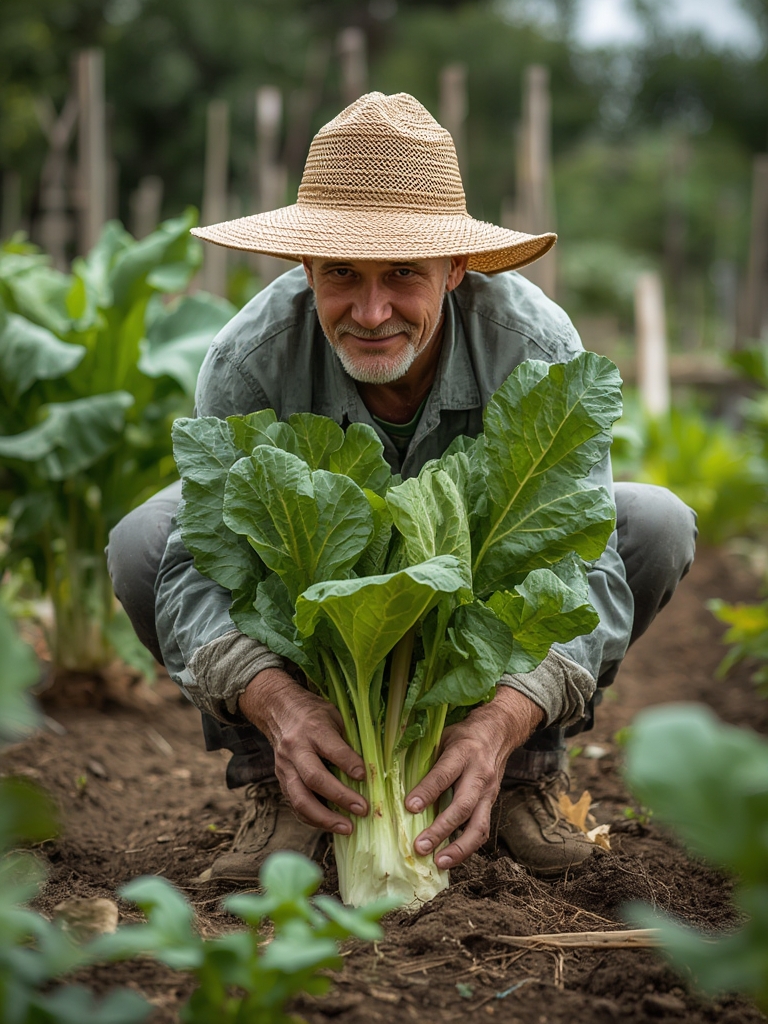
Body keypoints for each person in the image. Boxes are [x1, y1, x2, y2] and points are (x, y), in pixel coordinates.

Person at [107, 92, 696, 885]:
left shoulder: (534, 346)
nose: (371, 310)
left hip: (478, 649)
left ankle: (520, 772)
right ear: (305, 266)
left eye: (403, 276)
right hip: (316, 658)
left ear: (456, 270)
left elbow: (581, 565)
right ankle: (276, 779)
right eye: (342, 274)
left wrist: (501, 720)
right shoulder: (249, 359)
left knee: (652, 524)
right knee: (146, 542)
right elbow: (198, 568)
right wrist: (276, 702)